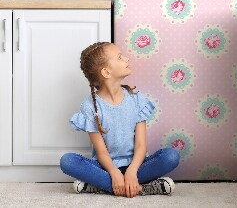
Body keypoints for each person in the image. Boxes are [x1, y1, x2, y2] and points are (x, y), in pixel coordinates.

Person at [60, 42, 180, 198]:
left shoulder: (136, 99)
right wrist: (114, 172)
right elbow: (102, 152)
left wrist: (132, 171)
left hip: (138, 165)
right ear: (106, 72)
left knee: (171, 156)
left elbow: (141, 145)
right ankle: (141, 188)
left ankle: (104, 186)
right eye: (119, 57)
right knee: (67, 161)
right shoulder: (90, 107)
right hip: (106, 167)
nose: (126, 59)